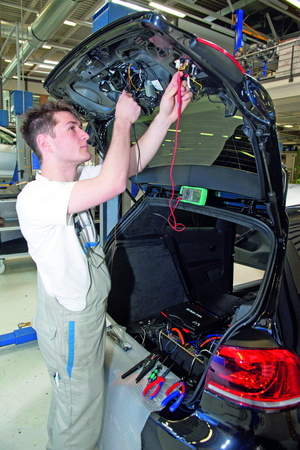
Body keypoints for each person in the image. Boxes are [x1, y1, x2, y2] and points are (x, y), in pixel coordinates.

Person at [16, 71, 192, 450]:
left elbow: (130, 164)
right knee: (78, 414)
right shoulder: (36, 196)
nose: (83, 135)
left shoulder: (73, 183)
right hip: (70, 322)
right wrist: (123, 120)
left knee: (78, 401)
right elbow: (113, 183)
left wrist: (164, 115)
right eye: (73, 129)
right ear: (45, 142)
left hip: (88, 314)